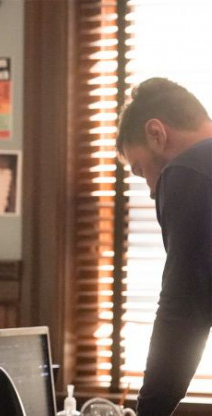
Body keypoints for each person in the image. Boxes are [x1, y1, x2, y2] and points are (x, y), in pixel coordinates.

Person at [116, 77, 212, 415]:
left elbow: (184, 309)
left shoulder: (187, 170)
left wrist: (149, 411)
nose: (151, 191)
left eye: (141, 170)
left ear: (156, 134)